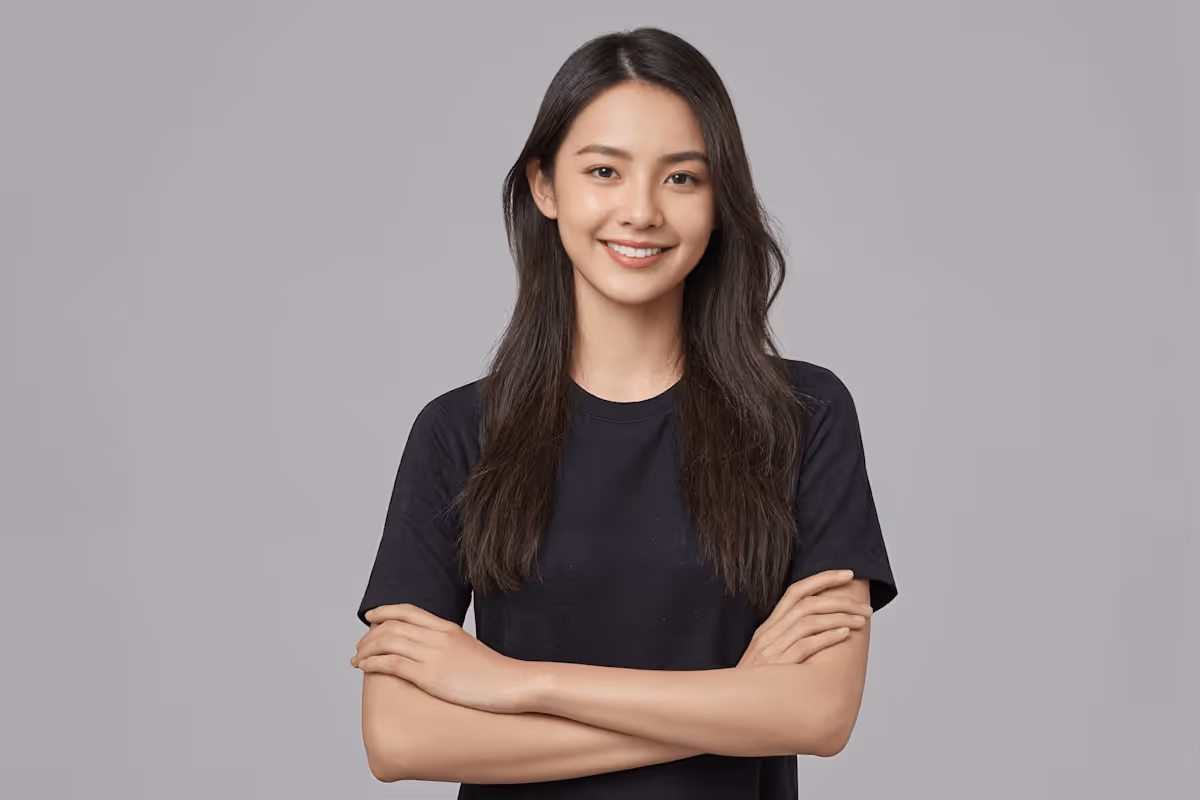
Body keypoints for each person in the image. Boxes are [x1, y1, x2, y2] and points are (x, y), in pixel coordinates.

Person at [351, 26, 897, 798]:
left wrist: (519, 685)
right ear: (545, 186)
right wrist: (734, 704)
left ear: (719, 201)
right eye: (604, 170)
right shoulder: (456, 435)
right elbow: (400, 737)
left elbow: (817, 713)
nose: (640, 211)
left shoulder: (804, 417)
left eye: (682, 179)